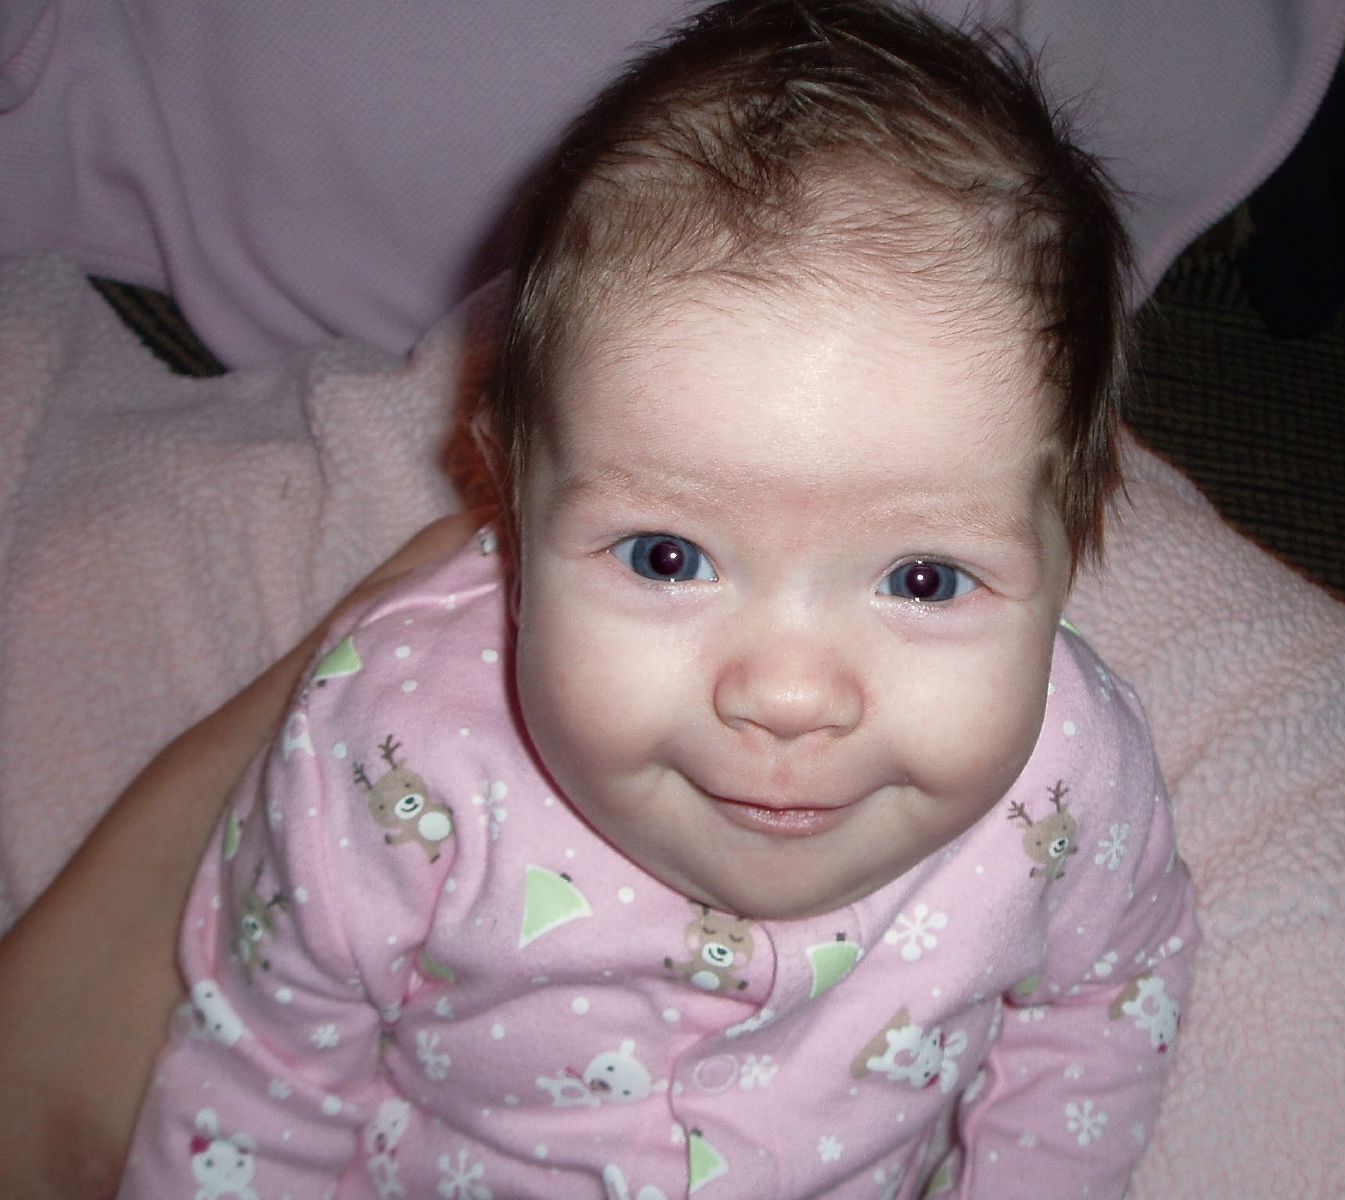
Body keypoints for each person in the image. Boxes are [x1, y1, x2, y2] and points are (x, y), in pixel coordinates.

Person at [115, 2, 1198, 1195]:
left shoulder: (1070, 783)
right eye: (667, 558)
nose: (786, 694)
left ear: (1075, 535)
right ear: (511, 503)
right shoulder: (395, 758)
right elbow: (271, 1069)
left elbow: (1103, 1002)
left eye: (922, 579)